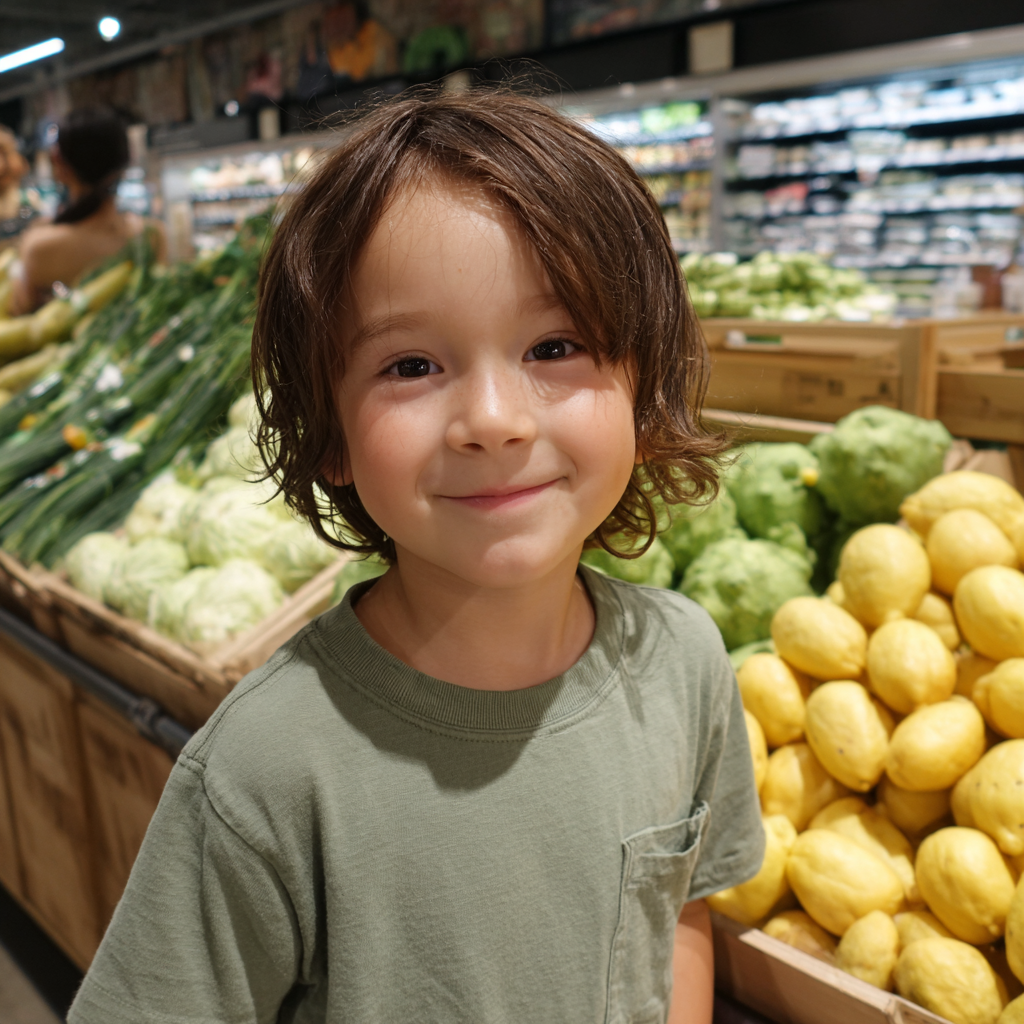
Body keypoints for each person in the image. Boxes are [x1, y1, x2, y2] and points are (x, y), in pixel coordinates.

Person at [68, 88, 764, 1024]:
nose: (493, 421)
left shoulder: (683, 662)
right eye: (411, 366)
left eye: (555, 345)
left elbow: (680, 915)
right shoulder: (265, 769)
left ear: (644, 386)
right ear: (331, 436)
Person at [9, 107, 164, 315]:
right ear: (127, 159)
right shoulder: (152, 236)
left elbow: (20, 318)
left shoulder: (38, 247)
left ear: (59, 164)